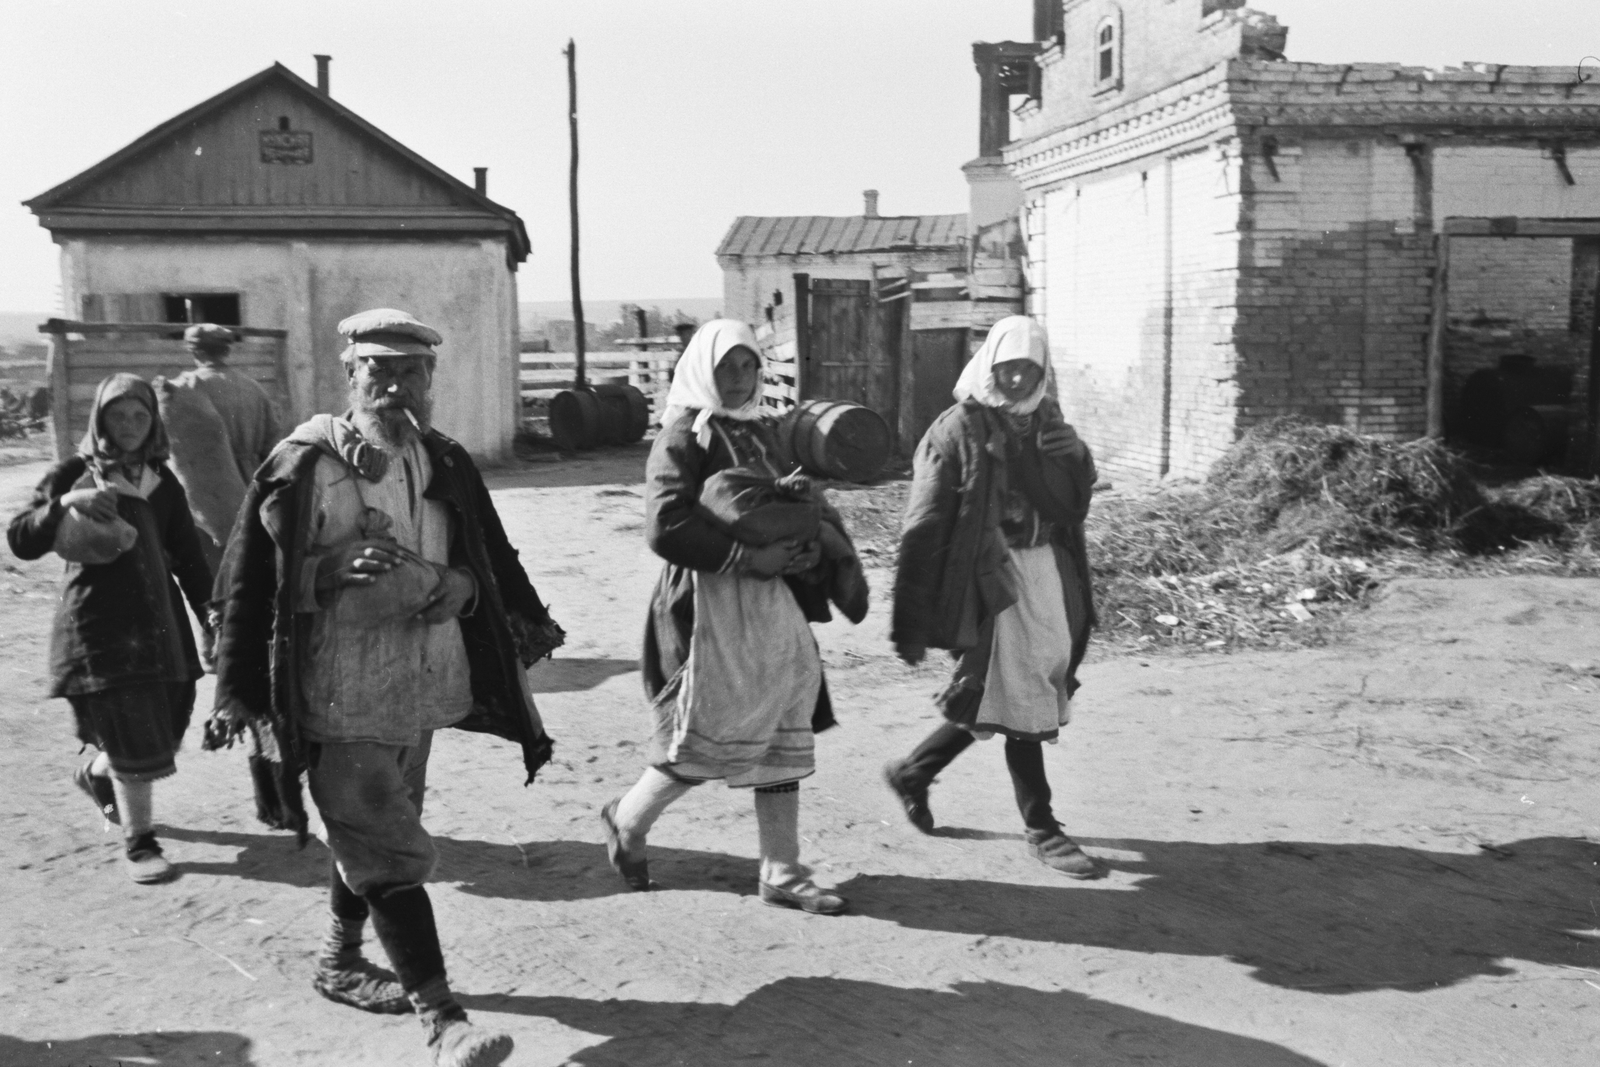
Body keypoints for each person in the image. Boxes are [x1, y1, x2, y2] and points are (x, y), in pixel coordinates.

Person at [208, 308, 562, 1067]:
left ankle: (340, 959)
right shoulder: (304, 463)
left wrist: (463, 585)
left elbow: (486, 561)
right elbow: (246, 578)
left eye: (411, 372)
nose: (396, 386)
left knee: (379, 828)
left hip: (421, 682)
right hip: (337, 686)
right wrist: (323, 573)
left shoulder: (442, 460)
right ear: (351, 375)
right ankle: (445, 1020)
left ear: (431, 379)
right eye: (380, 370)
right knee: (386, 841)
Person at [601, 319, 866, 916]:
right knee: (705, 731)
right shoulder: (682, 436)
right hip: (710, 603)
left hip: (773, 603)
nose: (740, 378)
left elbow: (773, 502)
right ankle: (628, 819)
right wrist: (748, 555)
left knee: (779, 723)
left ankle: (781, 869)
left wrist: (801, 537)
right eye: (728, 367)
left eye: (749, 366)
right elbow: (664, 525)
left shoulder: (763, 434)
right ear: (701, 370)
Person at [882, 316, 1104, 879]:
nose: (1016, 378)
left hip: (1046, 572)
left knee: (1007, 689)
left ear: (1041, 371)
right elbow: (926, 517)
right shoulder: (956, 427)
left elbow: (1072, 503)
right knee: (1021, 690)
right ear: (989, 365)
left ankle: (915, 770)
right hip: (988, 579)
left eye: (1028, 368)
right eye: (1007, 366)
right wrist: (915, 608)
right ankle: (1043, 828)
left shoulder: (1048, 420)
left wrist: (1076, 456)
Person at [7, 373, 212, 884]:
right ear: (100, 418)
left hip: (159, 624)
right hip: (99, 625)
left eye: (139, 416)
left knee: (164, 724)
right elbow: (20, 538)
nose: (128, 426)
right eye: (117, 416)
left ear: (153, 422)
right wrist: (65, 505)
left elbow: (187, 556)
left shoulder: (163, 483)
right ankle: (140, 843)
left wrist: (211, 611)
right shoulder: (75, 472)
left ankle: (96, 773)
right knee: (131, 724)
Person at [172, 323, 281, 484]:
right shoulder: (253, 388)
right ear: (226, 351)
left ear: (197, 352)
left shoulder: (186, 386)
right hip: (251, 481)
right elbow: (272, 442)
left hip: (208, 482)